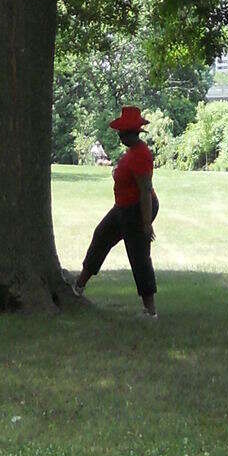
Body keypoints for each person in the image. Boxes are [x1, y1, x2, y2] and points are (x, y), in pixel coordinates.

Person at [73, 105, 158, 316]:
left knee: (138, 255)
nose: (118, 135)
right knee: (101, 235)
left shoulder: (141, 155)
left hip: (137, 210)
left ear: (132, 133)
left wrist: (146, 224)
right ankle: (78, 287)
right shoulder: (131, 152)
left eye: (121, 132)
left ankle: (150, 311)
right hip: (122, 208)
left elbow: (145, 190)